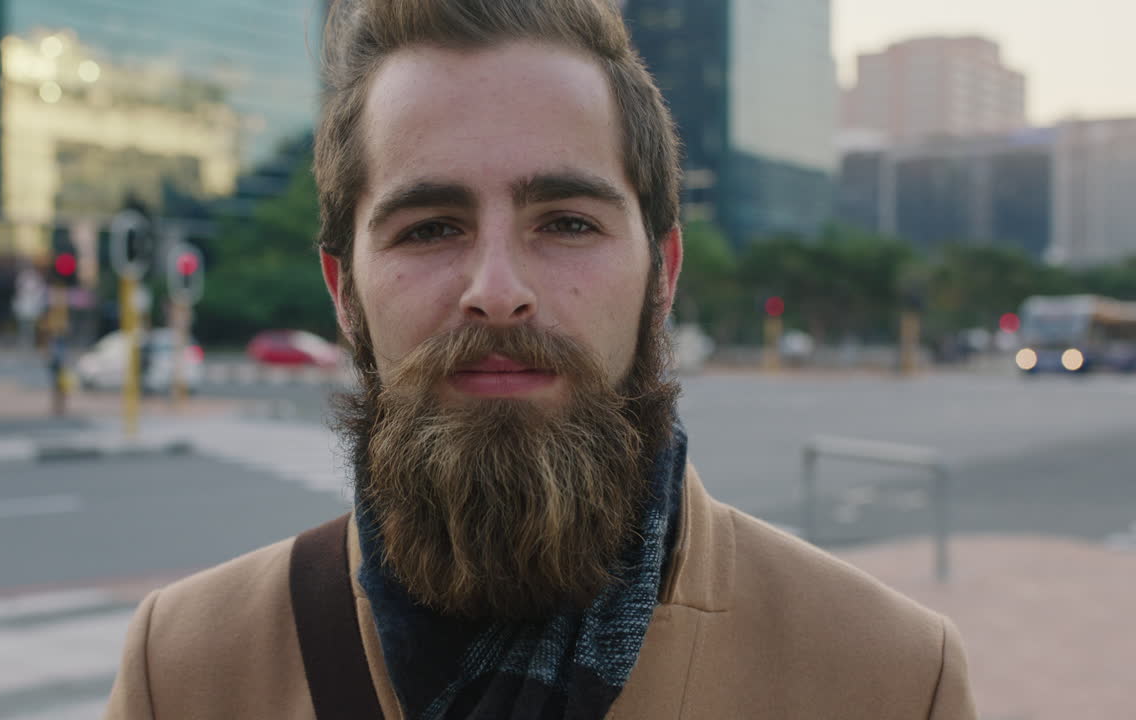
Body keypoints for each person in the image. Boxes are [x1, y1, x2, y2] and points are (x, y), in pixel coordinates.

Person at [104, 1, 977, 718]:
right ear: (343, 291)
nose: (496, 289)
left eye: (566, 223)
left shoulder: (888, 677)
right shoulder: (186, 670)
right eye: (431, 227)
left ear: (661, 275)